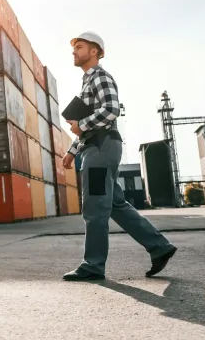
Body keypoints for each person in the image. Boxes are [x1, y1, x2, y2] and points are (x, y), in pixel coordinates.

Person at [62, 32, 177, 281]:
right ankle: (159, 247)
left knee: (94, 207)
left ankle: (93, 265)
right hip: (99, 146)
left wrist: (81, 125)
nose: (74, 51)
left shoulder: (100, 76)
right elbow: (88, 124)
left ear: (95, 51)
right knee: (115, 205)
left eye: (79, 47)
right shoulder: (86, 83)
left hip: (100, 149)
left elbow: (111, 110)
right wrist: (72, 151)